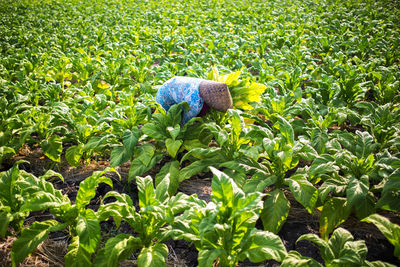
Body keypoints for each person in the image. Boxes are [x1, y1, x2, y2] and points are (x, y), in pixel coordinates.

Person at [156, 76, 233, 124]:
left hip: (171, 85)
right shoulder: (194, 104)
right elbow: (186, 122)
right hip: (164, 96)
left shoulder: (202, 84)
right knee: (166, 119)